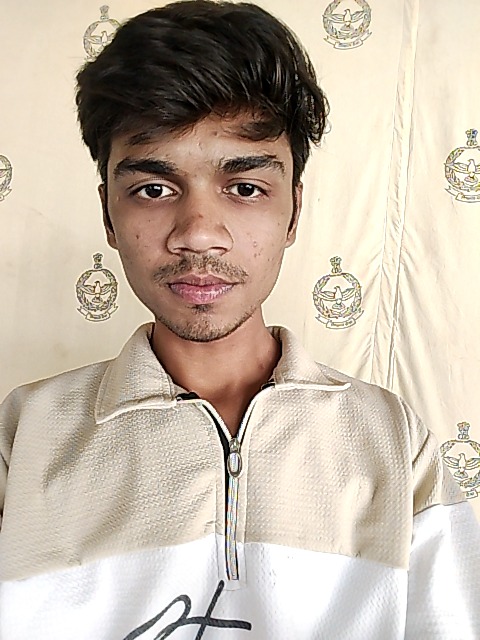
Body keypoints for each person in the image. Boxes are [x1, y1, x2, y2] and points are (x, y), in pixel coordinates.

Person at [0, 1, 479, 638]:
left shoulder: (393, 441)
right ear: (108, 215)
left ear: (293, 211)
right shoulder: (24, 436)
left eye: (245, 187)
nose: (199, 234)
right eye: (153, 188)